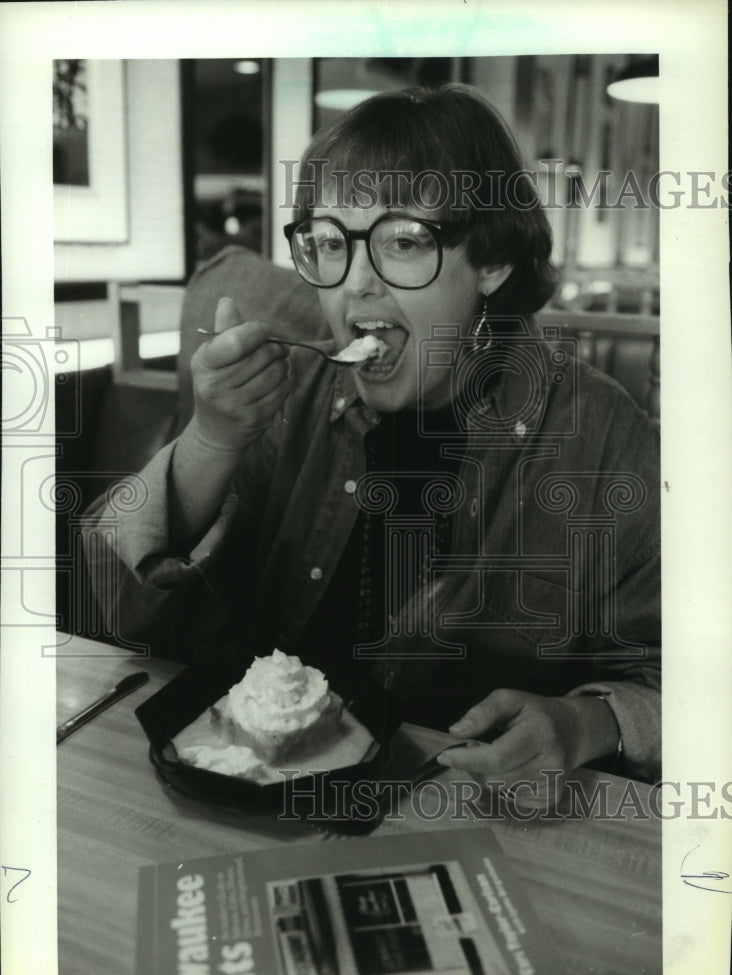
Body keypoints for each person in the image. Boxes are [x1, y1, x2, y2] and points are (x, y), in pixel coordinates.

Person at [83, 84, 660, 802]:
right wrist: (212, 437)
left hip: (477, 818)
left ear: (492, 261)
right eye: (328, 243)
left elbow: (684, 681)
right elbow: (110, 597)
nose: (355, 287)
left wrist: (584, 723)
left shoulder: (602, 436)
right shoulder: (285, 391)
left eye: (403, 242)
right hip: (257, 797)